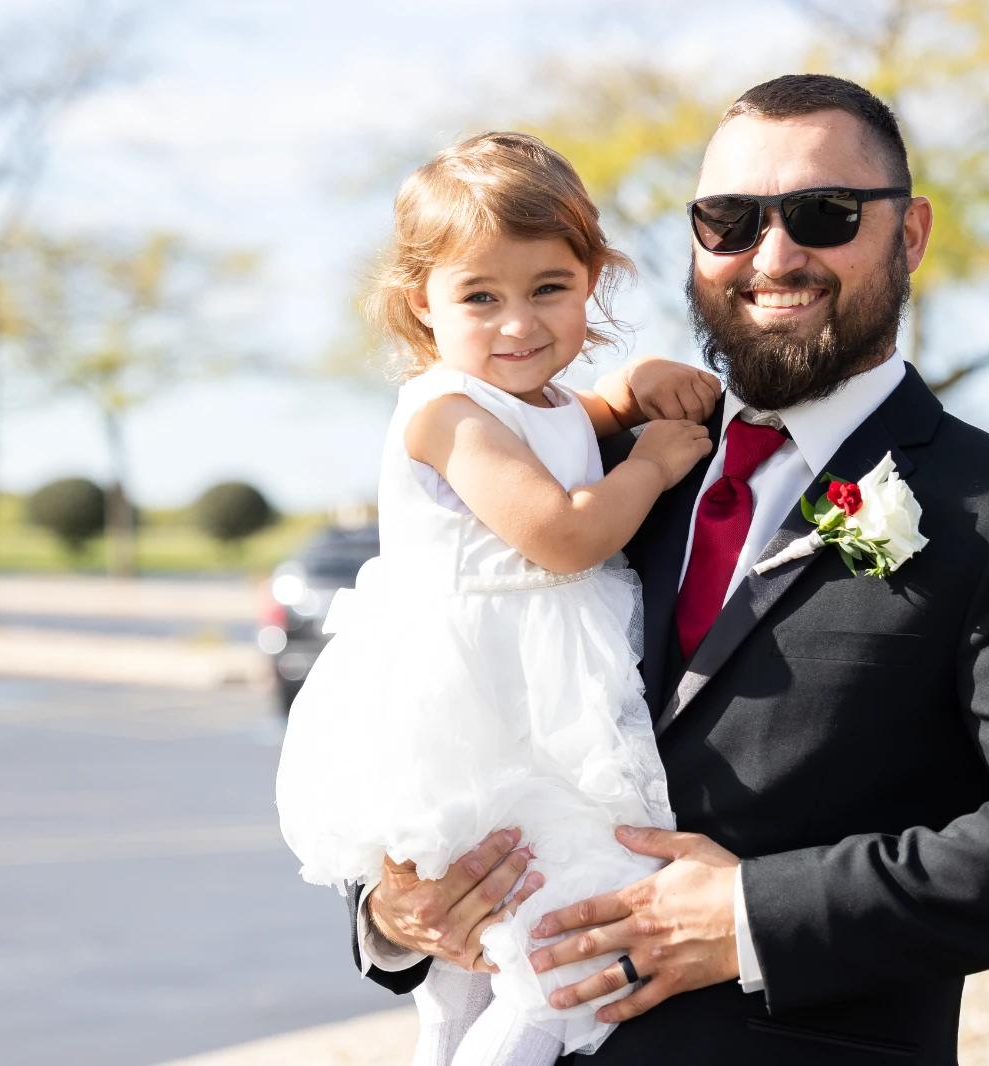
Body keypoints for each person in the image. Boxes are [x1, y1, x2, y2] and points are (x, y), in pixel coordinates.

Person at [351, 75, 989, 1065]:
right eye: (729, 219)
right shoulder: (580, 473)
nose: (772, 255)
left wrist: (750, 914)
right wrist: (392, 912)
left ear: (908, 235)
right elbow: (427, 690)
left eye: (823, 215)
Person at [275, 131, 724, 1065]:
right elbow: (562, 535)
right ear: (422, 305)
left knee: (503, 945)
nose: (519, 324)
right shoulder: (446, 411)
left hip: (526, 687)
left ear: (591, 278)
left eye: (548, 289)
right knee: (535, 943)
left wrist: (630, 388)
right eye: (481, 297)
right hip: (476, 700)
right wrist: (647, 459)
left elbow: (574, 419)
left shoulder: (534, 399)